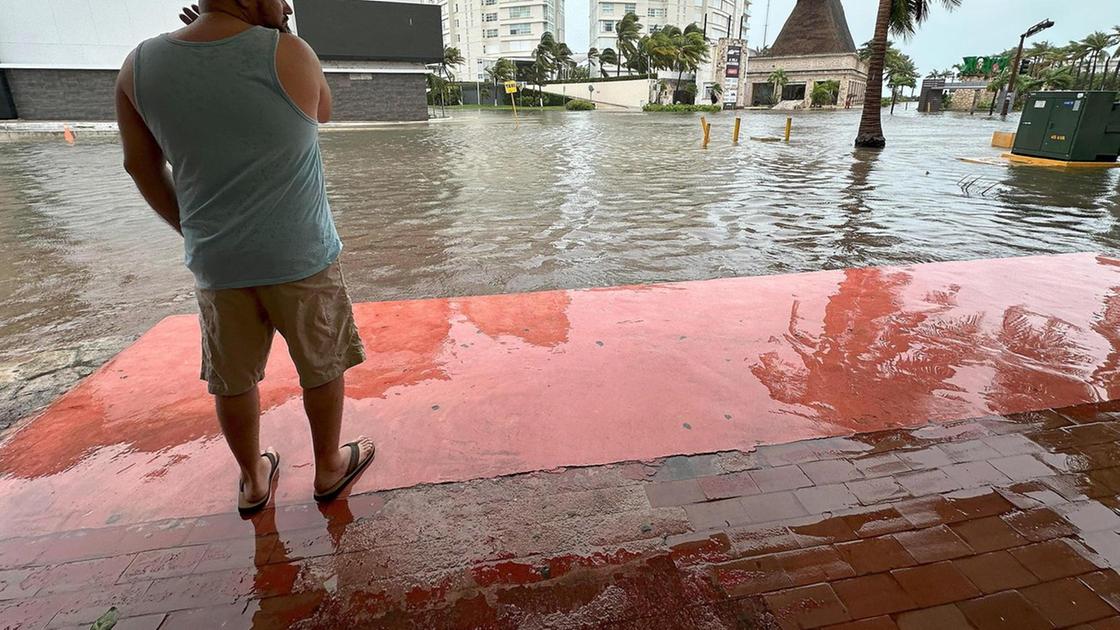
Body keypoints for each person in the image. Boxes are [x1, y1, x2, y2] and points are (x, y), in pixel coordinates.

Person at [115, 0, 375, 515]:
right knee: (320, 364)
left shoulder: (139, 65)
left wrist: (192, 229)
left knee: (231, 380)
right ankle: (328, 468)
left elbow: (139, 166)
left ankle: (254, 480)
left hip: (218, 262)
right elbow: (321, 110)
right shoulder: (290, 53)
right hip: (302, 255)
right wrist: (276, 29)